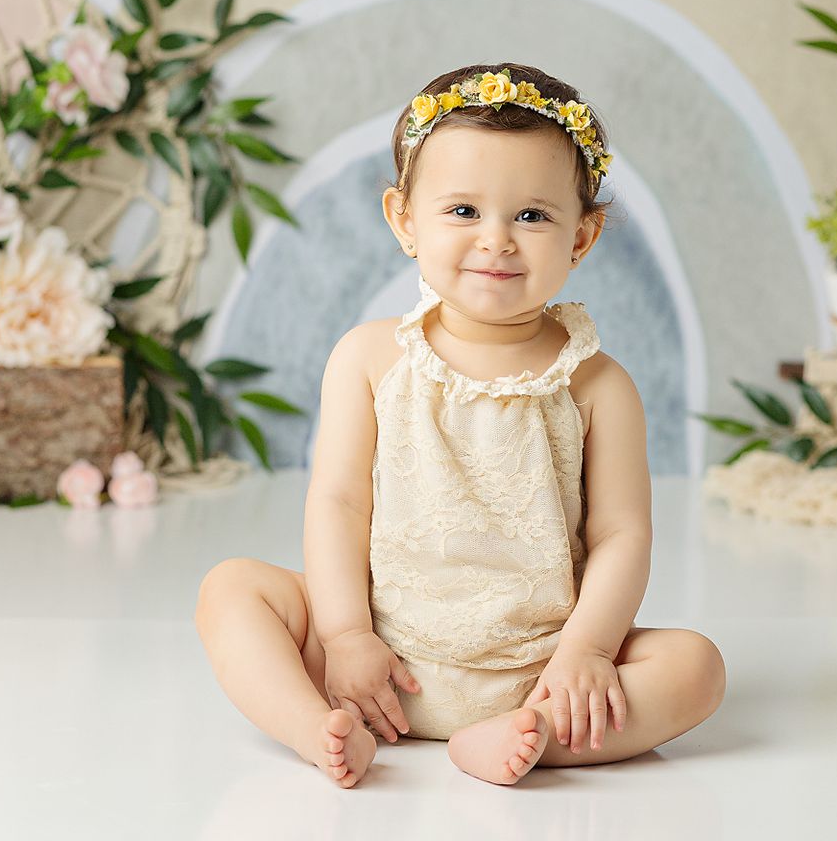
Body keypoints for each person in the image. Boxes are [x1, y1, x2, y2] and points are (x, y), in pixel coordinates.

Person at [194, 62, 725, 786]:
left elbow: (621, 535)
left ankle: (531, 734)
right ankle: (315, 727)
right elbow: (340, 504)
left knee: (695, 668)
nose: (496, 241)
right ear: (405, 221)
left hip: (537, 663)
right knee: (233, 589)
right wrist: (345, 635)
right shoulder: (370, 358)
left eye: (533, 215)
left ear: (582, 237)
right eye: (464, 211)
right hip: (381, 659)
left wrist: (589, 652)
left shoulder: (599, 385)